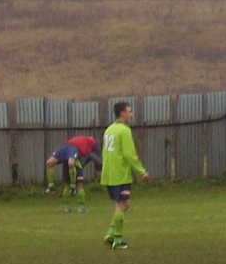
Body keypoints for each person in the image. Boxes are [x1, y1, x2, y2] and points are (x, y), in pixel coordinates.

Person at [101, 101, 149, 249]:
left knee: (125, 204)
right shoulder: (124, 130)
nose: (131, 114)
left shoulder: (109, 129)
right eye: (129, 111)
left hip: (109, 173)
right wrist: (141, 171)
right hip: (119, 173)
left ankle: (111, 233)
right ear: (122, 113)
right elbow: (129, 154)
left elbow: (105, 152)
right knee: (121, 205)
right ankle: (117, 240)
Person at [44, 135, 103, 213]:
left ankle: (72, 204)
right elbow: (97, 156)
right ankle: (54, 186)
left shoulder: (83, 141)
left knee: (53, 164)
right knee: (52, 163)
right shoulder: (92, 143)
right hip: (71, 150)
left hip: (68, 150)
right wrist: (100, 167)